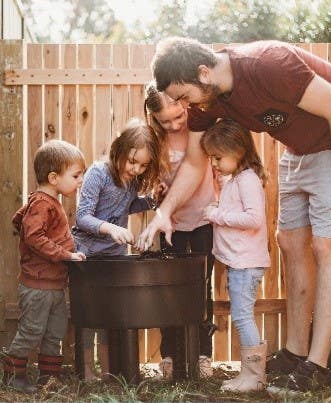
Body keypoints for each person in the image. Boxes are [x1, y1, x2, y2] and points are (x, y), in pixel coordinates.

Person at [137, 37, 331, 392]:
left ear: (204, 72)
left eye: (184, 96)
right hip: (299, 148)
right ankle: (296, 353)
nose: (184, 107)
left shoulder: (268, 64)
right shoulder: (206, 100)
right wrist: (164, 212)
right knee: (290, 242)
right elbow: (193, 161)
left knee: (326, 247)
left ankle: (318, 364)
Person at [72, 118, 161, 381]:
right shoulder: (98, 174)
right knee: (90, 316)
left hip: (114, 256)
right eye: (132, 161)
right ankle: (88, 372)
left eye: (144, 165)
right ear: (118, 150)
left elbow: (127, 207)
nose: (136, 169)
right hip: (88, 255)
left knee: (112, 315)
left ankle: (111, 373)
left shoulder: (132, 181)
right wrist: (110, 229)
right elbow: (82, 217)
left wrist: (151, 201)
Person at [144, 83, 217, 379]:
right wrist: (155, 191)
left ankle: (202, 355)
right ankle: (170, 356)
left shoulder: (199, 131)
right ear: (154, 119)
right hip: (171, 225)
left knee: (202, 288)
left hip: (203, 221)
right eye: (166, 121)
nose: (174, 124)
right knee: (170, 289)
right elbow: (148, 184)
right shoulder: (154, 141)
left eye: (178, 116)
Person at [2, 140, 86, 393]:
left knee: (54, 332)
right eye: (76, 175)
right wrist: (64, 254)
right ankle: (12, 377)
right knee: (31, 331)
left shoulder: (44, 201)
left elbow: (19, 220)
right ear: (53, 177)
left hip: (54, 284)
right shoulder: (42, 203)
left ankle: (49, 378)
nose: (80, 180)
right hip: (38, 286)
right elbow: (33, 235)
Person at [201, 119, 270, 392]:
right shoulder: (237, 179)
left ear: (237, 150)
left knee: (242, 317)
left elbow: (254, 219)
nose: (214, 163)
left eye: (217, 157)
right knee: (242, 315)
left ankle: (254, 377)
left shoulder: (247, 180)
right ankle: (250, 374)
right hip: (239, 263)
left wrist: (217, 215)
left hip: (246, 264)